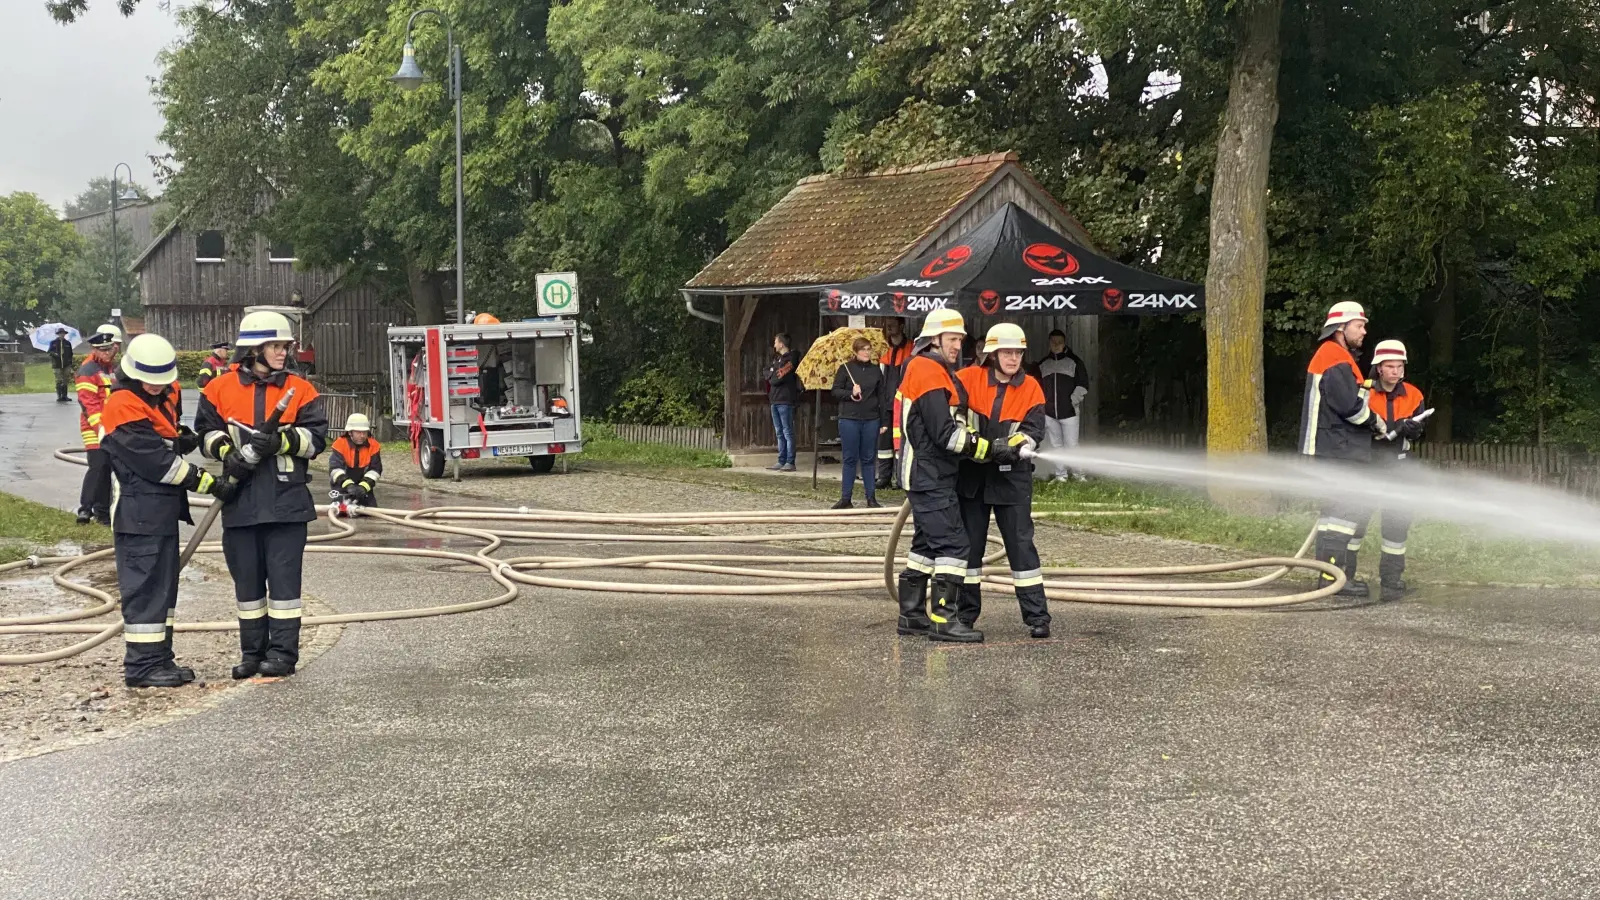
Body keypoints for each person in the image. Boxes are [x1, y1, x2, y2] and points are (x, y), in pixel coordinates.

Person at [196, 310, 329, 679]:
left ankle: (283, 655)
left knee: (285, 589)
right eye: (276, 345)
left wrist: (281, 440)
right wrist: (228, 453)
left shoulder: (300, 391)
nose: (284, 352)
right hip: (240, 501)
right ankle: (252, 653)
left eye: (285, 346)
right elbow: (205, 433)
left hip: (286, 504)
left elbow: (317, 440)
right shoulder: (218, 389)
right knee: (248, 587)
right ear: (253, 349)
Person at [100, 334, 230, 688]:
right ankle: (141, 667)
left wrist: (180, 439)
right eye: (150, 383)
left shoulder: (160, 393)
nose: (157, 389)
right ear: (133, 374)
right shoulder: (121, 406)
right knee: (145, 590)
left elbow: (162, 436)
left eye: (162, 383)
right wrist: (210, 482)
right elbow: (156, 463)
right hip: (137, 513)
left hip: (157, 512)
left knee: (162, 590)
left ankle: (159, 659)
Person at [894, 309, 1014, 643]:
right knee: (953, 544)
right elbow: (945, 434)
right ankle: (944, 620)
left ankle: (911, 614)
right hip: (929, 475)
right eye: (952, 339)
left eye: (960, 339)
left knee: (926, 545)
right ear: (934, 339)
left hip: (931, 474)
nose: (957, 345)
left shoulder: (936, 371)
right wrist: (988, 450)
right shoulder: (928, 372)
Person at [955, 324, 1052, 638]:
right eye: (1008, 352)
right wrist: (973, 444)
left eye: (1019, 352)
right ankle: (965, 615)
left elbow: (1034, 431)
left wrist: (1013, 447)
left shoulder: (1032, 388)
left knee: (1021, 547)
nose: (1014, 358)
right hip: (972, 477)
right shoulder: (968, 379)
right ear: (992, 354)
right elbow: (953, 418)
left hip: (1012, 480)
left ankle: (1038, 617)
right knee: (969, 550)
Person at [1300, 301, 1386, 597]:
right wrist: (1377, 422)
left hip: (1335, 448)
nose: (1364, 331)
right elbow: (1350, 407)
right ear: (1341, 328)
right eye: (1359, 325)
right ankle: (1334, 578)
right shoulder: (1335, 358)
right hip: (1337, 450)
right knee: (1343, 513)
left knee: (1335, 516)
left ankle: (1331, 577)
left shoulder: (1336, 356)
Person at [1363, 340, 1427, 595]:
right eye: (1389, 366)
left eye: (1399, 366)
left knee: (1397, 522)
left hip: (1399, 466)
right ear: (1378, 368)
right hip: (1368, 465)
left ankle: (1391, 578)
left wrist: (1415, 429)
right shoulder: (1364, 392)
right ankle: (1346, 575)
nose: (1395, 371)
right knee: (1357, 520)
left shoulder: (1414, 394)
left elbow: (1420, 432)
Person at [829, 337, 888, 509]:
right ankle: (846, 498)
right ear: (855, 351)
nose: (866, 352)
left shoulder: (876, 371)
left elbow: (882, 397)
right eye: (863, 349)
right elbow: (835, 391)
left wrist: (884, 421)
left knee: (869, 459)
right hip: (849, 419)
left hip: (871, 419)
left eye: (869, 349)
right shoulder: (845, 369)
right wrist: (850, 393)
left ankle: (871, 498)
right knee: (850, 458)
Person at [75, 325, 123, 526]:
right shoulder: (87, 370)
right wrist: (101, 429)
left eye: (108, 349)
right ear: (94, 350)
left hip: (110, 426)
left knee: (107, 468)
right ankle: (85, 509)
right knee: (98, 466)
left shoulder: (110, 368)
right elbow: (89, 404)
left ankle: (102, 512)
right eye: (102, 350)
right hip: (93, 427)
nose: (106, 353)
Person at [1032, 329, 1089, 482]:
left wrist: (1073, 401)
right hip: (1050, 412)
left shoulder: (1075, 362)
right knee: (1056, 445)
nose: (1056, 345)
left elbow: (1083, 385)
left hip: (1070, 412)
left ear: (1064, 343)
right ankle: (1060, 475)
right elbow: (1036, 387)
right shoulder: (1044, 364)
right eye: (1053, 342)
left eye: (1059, 342)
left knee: (1072, 446)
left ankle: (1079, 475)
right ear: (1049, 343)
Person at [875, 318, 915, 491]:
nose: (889, 327)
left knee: (902, 442)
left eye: (892, 324)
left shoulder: (911, 348)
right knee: (883, 443)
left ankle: (900, 478)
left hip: (903, 402)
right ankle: (884, 477)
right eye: (887, 324)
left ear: (901, 326)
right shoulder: (883, 349)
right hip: (885, 402)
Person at [329, 413, 383, 507]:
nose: (362, 436)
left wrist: (363, 487)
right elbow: (335, 470)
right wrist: (349, 486)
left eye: (364, 432)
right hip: (342, 486)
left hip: (364, 486)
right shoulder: (340, 445)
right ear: (350, 432)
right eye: (358, 432)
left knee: (371, 511)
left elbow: (375, 470)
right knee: (340, 510)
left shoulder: (373, 446)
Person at [765, 333, 800, 472]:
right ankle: (781, 460)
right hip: (774, 399)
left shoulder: (791, 359)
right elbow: (766, 372)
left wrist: (773, 373)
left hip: (785, 399)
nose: (774, 345)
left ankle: (790, 461)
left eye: (775, 342)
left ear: (781, 344)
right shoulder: (777, 359)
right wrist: (772, 372)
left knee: (787, 431)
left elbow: (776, 378)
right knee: (779, 432)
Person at [48, 328, 75, 402]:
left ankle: (65, 395)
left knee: (65, 380)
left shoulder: (67, 343)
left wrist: (70, 363)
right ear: (58, 334)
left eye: (63, 333)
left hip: (66, 364)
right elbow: (50, 351)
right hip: (57, 364)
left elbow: (70, 354)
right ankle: (59, 396)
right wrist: (55, 354)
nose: (62, 334)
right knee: (59, 380)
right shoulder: (53, 342)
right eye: (60, 333)